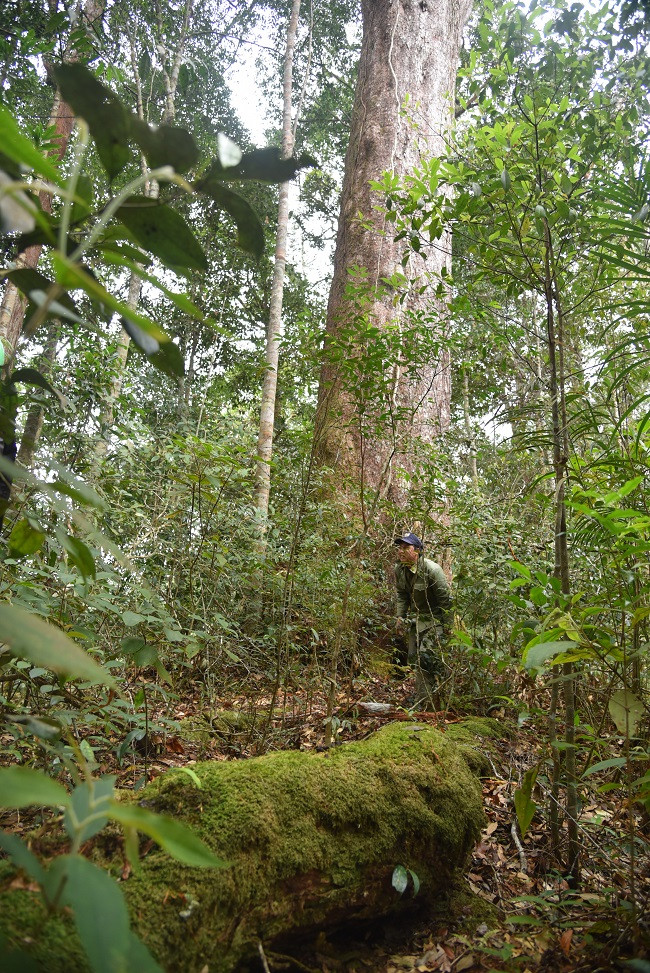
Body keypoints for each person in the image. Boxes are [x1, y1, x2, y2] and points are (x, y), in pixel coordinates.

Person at [393, 532, 452, 711]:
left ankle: (432, 703)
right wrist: (400, 617)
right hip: (415, 622)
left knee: (428, 661)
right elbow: (402, 595)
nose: (401, 551)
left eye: (406, 548)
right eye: (399, 548)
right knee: (416, 661)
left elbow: (446, 601)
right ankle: (423, 699)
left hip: (434, 622)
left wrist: (448, 629)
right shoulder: (400, 569)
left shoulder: (432, 570)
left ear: (417, 550)